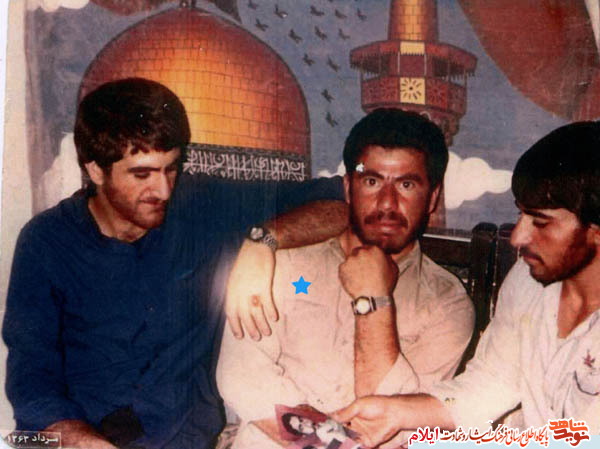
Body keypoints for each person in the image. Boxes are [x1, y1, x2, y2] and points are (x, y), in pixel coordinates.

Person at [2, 78, 348, 449]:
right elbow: (31, 380)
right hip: (75, 437)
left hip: (182, 437)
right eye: (142, 174)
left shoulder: (200, 203)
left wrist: (262, 241)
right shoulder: (45, 241)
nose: (164, 190)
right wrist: (82, 441)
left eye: (170, 168)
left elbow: (342, 202)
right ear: (96, 171)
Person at [217, 108, 475, 448]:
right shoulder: (284, 264)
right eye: (371, 181)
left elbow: (396, 426)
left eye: (407, 184)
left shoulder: (447, 303)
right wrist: (332, 444)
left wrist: (373, 300)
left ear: (433, 198)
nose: (387, 203)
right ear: (348, 189)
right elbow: (241, 375)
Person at [332, 121, 600, 448]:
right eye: (521, 215)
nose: (518, 237)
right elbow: (490, 385)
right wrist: (397, 411)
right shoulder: (528, 281)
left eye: (540, 222)